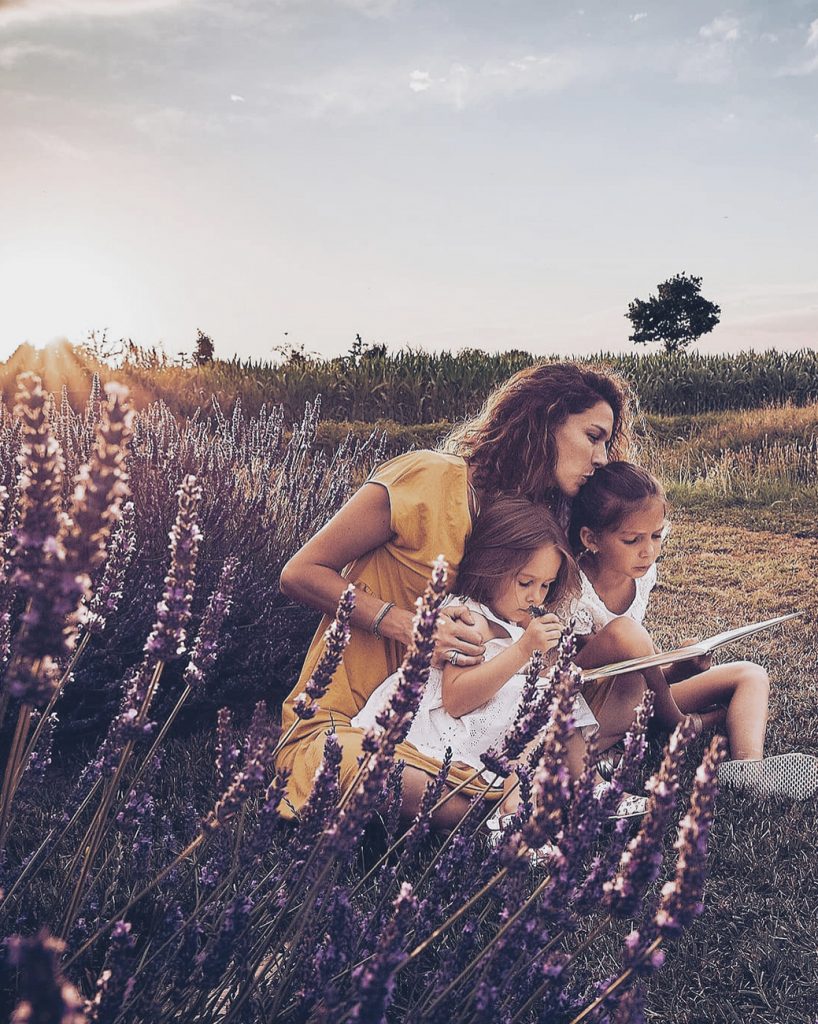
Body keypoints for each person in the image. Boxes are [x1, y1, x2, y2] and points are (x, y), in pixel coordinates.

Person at [277, 361, 632, 828]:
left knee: (610, 692)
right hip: (354, 719)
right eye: (593, 436)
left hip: (461, 728)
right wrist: (411, 628)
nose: (602, 457)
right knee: (397, 781)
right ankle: (516, 798)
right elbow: (300, 572)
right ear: (546, 420)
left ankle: (520, 793)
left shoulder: (529, 523)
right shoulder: (429, 477)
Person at [351, 495, 637, 820]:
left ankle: (592, 787)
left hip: (490, 726)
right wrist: (523, 651)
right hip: (444, 725)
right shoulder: (468, 618)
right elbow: (456, 699)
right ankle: (512, 814)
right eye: (526, 582)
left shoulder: (516, 621)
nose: (535, 596)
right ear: (492, 568)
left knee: (556, 692)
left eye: (545, 585)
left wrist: (551, 667)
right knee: (541, 697)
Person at [567, 460, 818, 800]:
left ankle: (748, 768)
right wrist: (661, 681)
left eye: (656, 536)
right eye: (632, 540)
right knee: (625, 632)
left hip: (639, 697)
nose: (649, 551)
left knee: (751, 674)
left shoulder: (642, 576)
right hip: (593, 715)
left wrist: (679, 667)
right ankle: (679, 723)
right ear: (591, 539)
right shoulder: (574, 590)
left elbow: (638, 671)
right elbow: (585, 677)